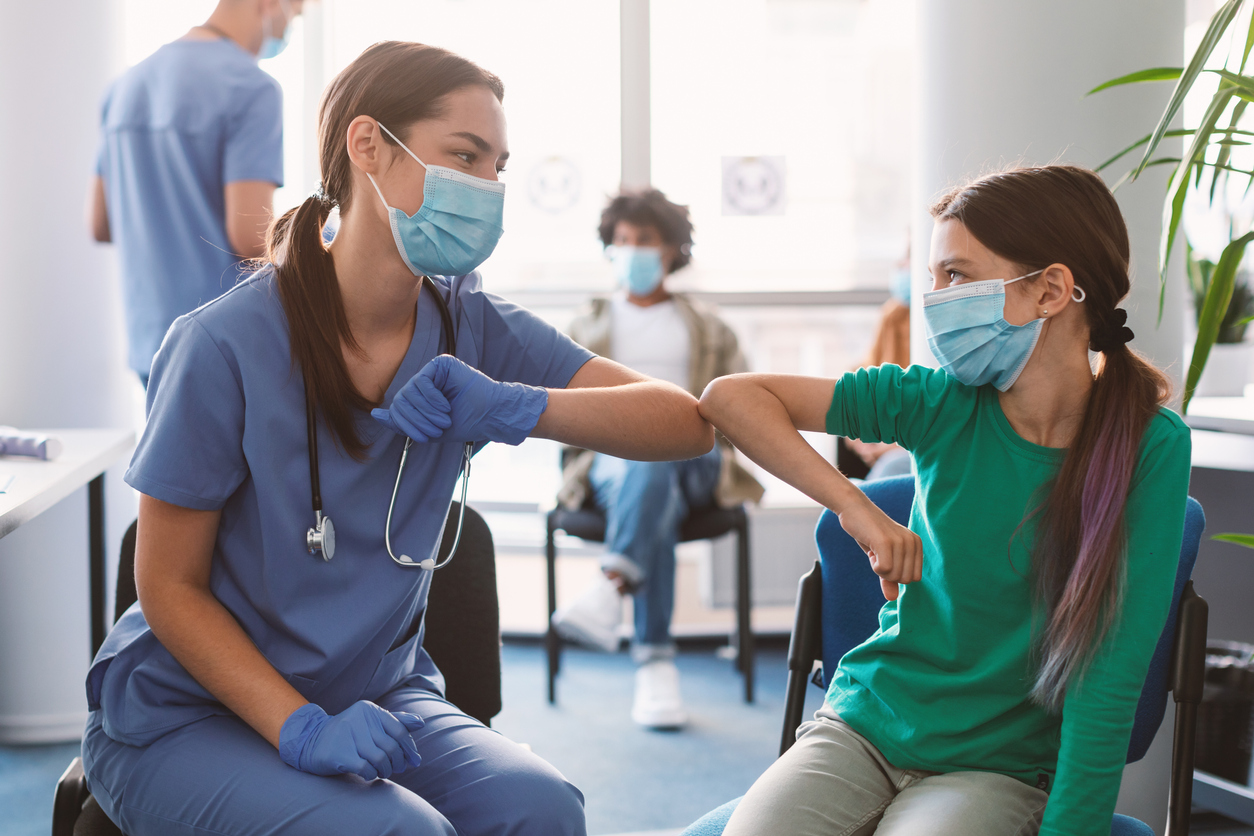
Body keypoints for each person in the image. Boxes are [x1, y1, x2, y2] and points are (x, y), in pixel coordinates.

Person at [81, 42, 713, 836]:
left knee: (542, 810)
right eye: (465, 156)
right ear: (369, 146)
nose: (488, 188)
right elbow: (167, 586)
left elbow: (685, 422)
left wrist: (519, 407)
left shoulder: (469, 326)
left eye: (498, 166)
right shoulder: (223, 345)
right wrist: (300, 727)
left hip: (373, 693)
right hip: (189, 714)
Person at [699, 165, 1191, 835]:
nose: (933, 300)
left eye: (955, 276)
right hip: (866, 725)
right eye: (931, 276)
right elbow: (732, 399)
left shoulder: (1149, 446)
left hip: (1000, 766)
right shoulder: (937, 402)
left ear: (1050, 290)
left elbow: (1109, 674)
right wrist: (858, 509)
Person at [550, 189, 763, 729]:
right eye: (621, 241)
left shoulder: (710, 328)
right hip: (606, 467)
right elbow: (565, 410)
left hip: (698, 461)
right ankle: (655, 666)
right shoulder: (585, 326)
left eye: (644, 240)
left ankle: (613, 585)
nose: (632, 251)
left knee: (659, 442)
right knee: (646, 458)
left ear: (671, 248)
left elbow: (740, 407)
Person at [88, 0, 302, 388]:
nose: (295, 21)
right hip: (221, 344)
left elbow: (101, 224)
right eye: (298, 9)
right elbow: (250, 237)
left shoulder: (124, 87)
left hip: (149, 345)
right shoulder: (251, 88)